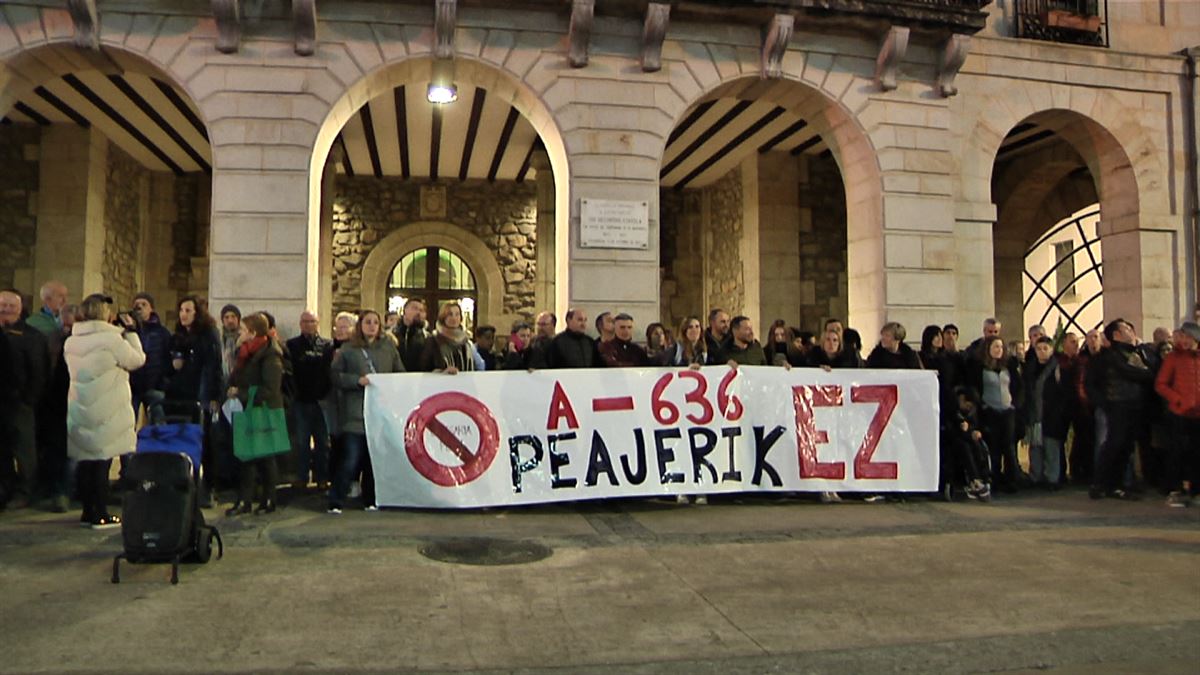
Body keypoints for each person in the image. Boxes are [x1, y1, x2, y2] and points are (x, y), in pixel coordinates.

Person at [64, 293, 146, 528]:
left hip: (80, 405)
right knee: (102, 461)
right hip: (106, 407)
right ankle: (100, 512)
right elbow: (137, 360)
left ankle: (87, 511)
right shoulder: (112, 341)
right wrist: (131, 333)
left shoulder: (72, 341)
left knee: (86, 460)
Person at [329, 310, 404, 513]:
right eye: (368, 322)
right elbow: (335, 376)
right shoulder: (348, 349)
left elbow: (400, 374)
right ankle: (335, 499)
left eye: (375, 322)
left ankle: (370, 499)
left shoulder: (388, 349)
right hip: (356, 413)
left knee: (373, 461)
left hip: (379, 413)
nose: (372, 326)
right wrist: (355, 381)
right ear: (360, 325)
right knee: (350, 459)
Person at [224, 313, 285, 516]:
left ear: (252, 333)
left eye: (242, 330)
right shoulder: (245, 352)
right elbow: (238, 377)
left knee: (265, 457)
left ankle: (269, 499)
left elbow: (271, 388)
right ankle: (245, 500)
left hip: (262, 409)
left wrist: (241, 393)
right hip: (247, 409)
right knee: (246, 457)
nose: (239, 333)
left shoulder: (270, 355)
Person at [1089, 319, 1156, 500]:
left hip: (1134, 405)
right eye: (1125, 328)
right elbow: (1134, 373)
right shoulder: (1112, 355)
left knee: (1126, 446)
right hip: (1118, 405)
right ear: (1116, 335)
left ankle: (1117, 484)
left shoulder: (1137, 351)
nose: (1130, 331)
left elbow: (1152, 369)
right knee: (1115, 444)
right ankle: (1101, 484)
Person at [165, 296, 222, 506]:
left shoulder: (208, 334)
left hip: (201, 394)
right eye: (181, 310)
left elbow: (214, 366)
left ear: (197, 313)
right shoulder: (178, 336)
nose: (184, 314)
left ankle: (208, 488)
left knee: (206, 443)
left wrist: (213, 396)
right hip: (180, 395)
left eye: (188, 310)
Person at [0, 289, 49, 510]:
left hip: (20, 403)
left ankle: (25, 491)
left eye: (11, 305)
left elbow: (40, 371)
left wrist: (29, 399)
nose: (6, 309)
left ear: (20, 309)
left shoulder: (32, 337)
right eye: (2, 304)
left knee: (24, 450)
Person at [968, 335, 1023, 493]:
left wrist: (1015, 404)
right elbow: (975, 388)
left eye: (1000, 347)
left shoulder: (1009, 367)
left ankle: (1012, 480)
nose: (998, 350)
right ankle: (995, 478)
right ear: (988, 349)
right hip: (990, 411)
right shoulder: (980, 367)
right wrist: (982, 405)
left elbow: (1018, 387)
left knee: (1009, 446)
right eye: (995, 347)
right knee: (994, 447)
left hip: (1007, 410)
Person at [286, 311, 333, 490]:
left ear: (318, 323)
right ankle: (301, 476)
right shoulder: (292, 345)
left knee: (323, 441)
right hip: (301, 400)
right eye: (305, 321)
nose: (308, 325)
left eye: (312, 321)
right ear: (300, 324)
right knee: (301, 442)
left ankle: (322, 477)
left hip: (321, 400)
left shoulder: (327, 346)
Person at [1156, 322, 1200, 507]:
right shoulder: (1173, 358)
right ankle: (1175, 489)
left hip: (1198, 413)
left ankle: (1196, 490)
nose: (1185, 341)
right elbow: (1161, 384)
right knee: (1177, 452)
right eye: (1183, 337)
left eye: (1189, 337)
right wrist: (1177, 399)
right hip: (1179, 412)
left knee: (1197, 453)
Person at [1024, 336, 1067, 489]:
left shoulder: (1058, 368)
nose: (1041, 352)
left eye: (1045, 349)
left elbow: (1063, 392)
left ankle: (1052, 478)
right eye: (1038, 349)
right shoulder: (1030, 368)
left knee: (1051, 447)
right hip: (1034, 414)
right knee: (1035, 447)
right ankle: (1036, 476)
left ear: (1051, 349)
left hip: (1052, 413)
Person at [129, 292, 173, 427]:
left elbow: (167, 358)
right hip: (133, 386)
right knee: (129, 423)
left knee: (158, 424)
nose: (140, 308)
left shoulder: (162, 333)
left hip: (155, 385)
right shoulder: (129, 331)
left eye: (144, 304)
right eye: (137, 305)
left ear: (151, 309)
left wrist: (163, 382)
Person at [420, 302, 479, 373]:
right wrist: (441, 372)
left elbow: (477, 366)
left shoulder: (466, 342)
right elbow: (424, 367)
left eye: (457, 314)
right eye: (450, 314)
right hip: (440, 382)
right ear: (443, 317)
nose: (454, 318)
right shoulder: (433, 340)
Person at [392, 298, 427, 372]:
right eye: (415, 308)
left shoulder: (427, 337)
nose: (418, 312)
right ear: (405, 310)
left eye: (422, 310)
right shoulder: (392, 335)